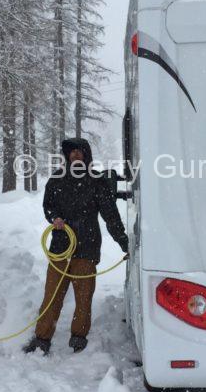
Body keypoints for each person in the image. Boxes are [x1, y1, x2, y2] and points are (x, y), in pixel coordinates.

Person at [23, 137, 128, 354]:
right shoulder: (57, 181)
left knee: (84, 297)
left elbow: (111, 216)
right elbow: (48, 207)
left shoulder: (96, 181)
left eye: (80, 151)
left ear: (86, 155)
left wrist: (124, 242)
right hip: (60, 248)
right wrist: (55, 218)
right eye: (72, 152)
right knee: (52, 296)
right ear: (67, 156)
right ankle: (42, 338)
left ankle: (78, 337)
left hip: (87, 249)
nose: (75, 155)